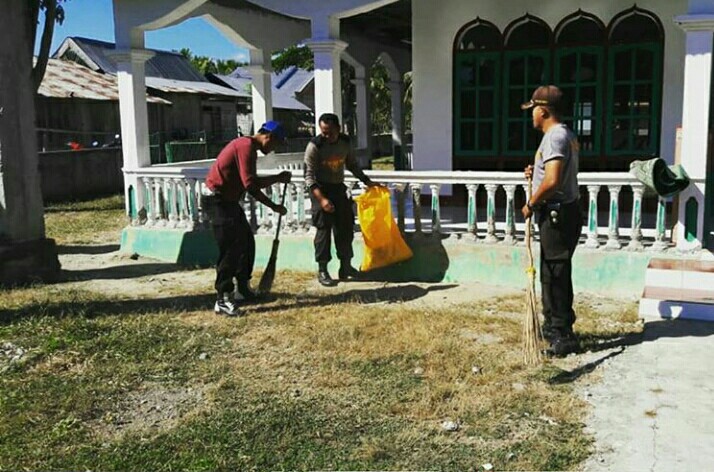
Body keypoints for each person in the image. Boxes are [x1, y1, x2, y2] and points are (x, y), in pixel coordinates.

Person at [203, 121, 292, 316]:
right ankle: (223, 298)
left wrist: (276, 179)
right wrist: (273, 205)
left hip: (228, 201)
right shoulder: (246, 146)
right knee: (230, 249)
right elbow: (250, 184)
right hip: (217, 200)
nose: (274, 149)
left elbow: (248, 181)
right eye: (276, 144)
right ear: (268, 136)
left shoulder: (248, 147)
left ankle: (243, 288)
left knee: (246, 242)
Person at [520, 85, 583, 357]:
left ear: (543, 110)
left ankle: (561, 334)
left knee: (554, 274)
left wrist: (532, 202)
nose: (531, 114)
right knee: (553, 271)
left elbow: (554, 180)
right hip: (563, 213)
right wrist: (536, 171)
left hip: (557, 215)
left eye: (533, 109)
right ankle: (557, 326)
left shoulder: (555, 137)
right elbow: (553, 171)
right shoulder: (563, 135)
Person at [304, 113, 379, 287]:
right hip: (320, 190)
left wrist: (367, 181)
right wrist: (322, 200)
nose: (326, 135)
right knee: (323, 231)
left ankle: (345, 267)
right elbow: (309, 177)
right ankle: (323, 270)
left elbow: (352, 164)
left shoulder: (345, 142)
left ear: (339, 129)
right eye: (323, 132)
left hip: (338, 189)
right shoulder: (314, 146)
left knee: (345, 229)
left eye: (330, 132)